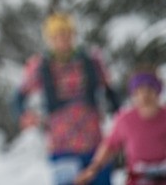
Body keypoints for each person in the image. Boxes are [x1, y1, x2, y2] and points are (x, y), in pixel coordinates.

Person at [13, 12, 121, 185]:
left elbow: (110, 91)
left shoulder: (90, 60)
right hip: (61, 141)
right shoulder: (40, 65)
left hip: (92, 138)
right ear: (50, 39)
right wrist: (25, 115)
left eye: (66, 34)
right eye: (56, 36)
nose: (62, 39)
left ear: (73, 35)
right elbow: (19, 96)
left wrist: (119, 119)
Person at [76, 70, 166, 185]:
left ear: (157, 92)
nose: (144, 96)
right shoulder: (125, 119)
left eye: (149, 90)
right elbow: (109, 146)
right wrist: (93, 168)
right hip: (137, 179)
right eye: (139, 92)